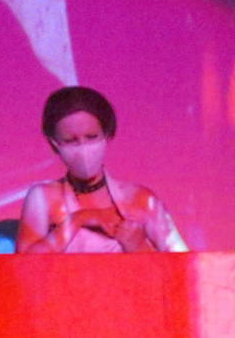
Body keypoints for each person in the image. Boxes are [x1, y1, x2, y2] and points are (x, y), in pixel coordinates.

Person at [16, 86, 187, 253]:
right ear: (54, 144)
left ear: (107, 134)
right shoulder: (43, 196)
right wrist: (78, 219)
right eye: (70, 140)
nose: (82, 147)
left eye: (91, 137)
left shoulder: (141, 199)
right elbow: (24, 263)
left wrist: (140, 247)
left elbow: (185, 265)